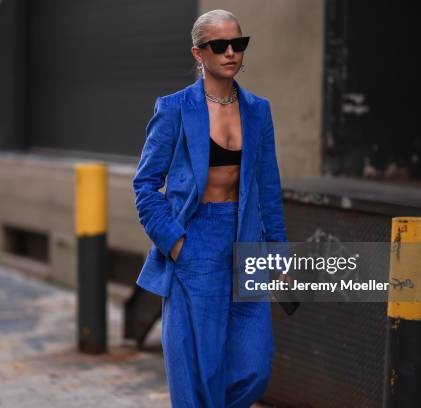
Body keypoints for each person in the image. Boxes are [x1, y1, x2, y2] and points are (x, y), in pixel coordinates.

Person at [132, 9, 289, 407]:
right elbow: (146, 185)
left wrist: (279, 252)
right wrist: (176, 242)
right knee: (200, 365)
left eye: (239, 43)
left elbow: (268, 187)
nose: (231, 52)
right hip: (195, 236)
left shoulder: (258, 109)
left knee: (255, 365)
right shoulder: (174, 108)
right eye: (220, 46)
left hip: (247, 239)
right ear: (199, 53)